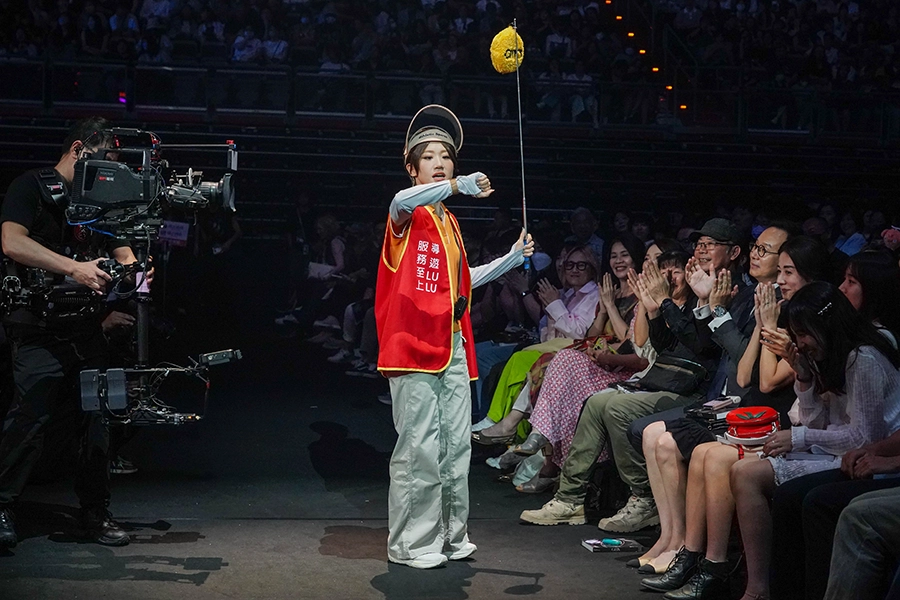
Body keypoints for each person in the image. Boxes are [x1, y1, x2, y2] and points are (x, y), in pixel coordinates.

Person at [375, 105, 533, 570]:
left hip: (453, 345)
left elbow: (462, 278)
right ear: (412, 167)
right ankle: (410, 544)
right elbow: (402, 201)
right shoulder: (405, 216)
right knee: (420, 446)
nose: (440, 161)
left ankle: (449, 534)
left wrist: (509, 258)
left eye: (446, 156)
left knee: (456, 444)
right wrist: (458, 187)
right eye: (429, 156)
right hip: (413, 348)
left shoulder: (448, 221)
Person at [0, 117, 145, 548]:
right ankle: (2, 505)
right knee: (29, 421)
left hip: (86, 329)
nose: (111, 175)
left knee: (97, 421)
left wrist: (135, 268)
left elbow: (125, 253)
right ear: (80, 150)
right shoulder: (30, 187)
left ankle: (95, 513)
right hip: (38, 328)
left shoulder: (100, 201)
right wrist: (74, 268)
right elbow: (11, 242)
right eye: (106, 163)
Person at [732, 282, 900, 600]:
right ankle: (761, 588)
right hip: (842, 452)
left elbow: (865, 438)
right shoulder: (830, 358)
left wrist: (799, 438)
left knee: (802, 497)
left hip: (874, 460)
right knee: (753, 476)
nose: (799, 343)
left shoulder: (863, 358)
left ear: (824, 325)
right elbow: (816, 420)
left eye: (802, 333)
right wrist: (804, 376)